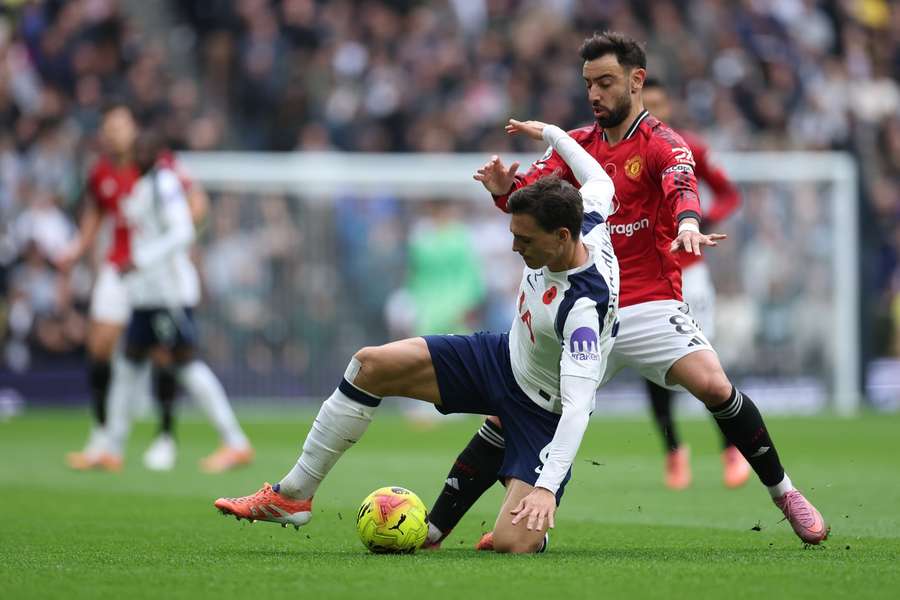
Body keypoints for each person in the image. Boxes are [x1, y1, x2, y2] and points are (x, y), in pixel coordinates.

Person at [423, 31, 827, 551]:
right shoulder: (577, 146)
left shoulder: (665, 144)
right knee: (509, 411)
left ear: (636, 81)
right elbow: (535, 206)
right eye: (589, 83)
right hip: (579, 306)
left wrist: (686, 222)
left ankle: (785, 494)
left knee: (714, 384)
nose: (594, 94)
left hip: (645, 302)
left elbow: (683, 187)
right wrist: (507, 194)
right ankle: (435, 527)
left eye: (606, 82)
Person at [214, 120, 620, 554]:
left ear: (561, 237)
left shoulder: (581, 312)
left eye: (524, 239)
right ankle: (292, 494)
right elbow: (599, 177)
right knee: (370, 365)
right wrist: (551, 133)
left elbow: (578, 408)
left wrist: (545, 489)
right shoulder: (589, 214)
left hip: (544, 409)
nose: (515, 248)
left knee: (510, 544)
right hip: (503, 357)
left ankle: (511, 483)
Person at [59, 103, 209, 471]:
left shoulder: (161, 167)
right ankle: (102, 437)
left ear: (132, 126)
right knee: (101, 345)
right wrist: (77, 250)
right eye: (108, 127)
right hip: (119, 267)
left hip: (154, 271)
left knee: (164, 353)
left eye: (120, 125)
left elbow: (197, 203)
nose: (114, 133)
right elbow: (95, 216)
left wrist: (172, 243)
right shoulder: (101, 173)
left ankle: (165, 436)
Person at [102, 131, 253, 473]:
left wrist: (142, 260)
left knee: (184, 365)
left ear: (156, 152)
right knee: (128, 364)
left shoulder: (163, 183)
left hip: (167, 294)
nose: (136, 152)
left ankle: (236, 443)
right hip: (147, 294)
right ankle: (110, 448)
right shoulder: (143, 185)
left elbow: (183, 231)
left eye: (143, 147)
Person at [640, 77, 748, 490]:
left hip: (689, 273)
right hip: (645, 273)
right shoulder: (621, 152)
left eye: (657, 104)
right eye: (644, 105)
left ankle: (730, 447)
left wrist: (701, 220)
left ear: (667, 107)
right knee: (653, 368)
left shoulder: (688, 149)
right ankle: (673, 451)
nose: (652, 112)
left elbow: (728, 194)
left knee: (705, 360)